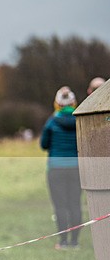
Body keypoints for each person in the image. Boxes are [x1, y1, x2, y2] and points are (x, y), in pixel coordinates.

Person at [40, 86, 81, 249]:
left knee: (60, 206)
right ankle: (75, 241)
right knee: (75, 204)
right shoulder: (79, 120)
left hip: (56, 169)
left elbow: (44, 144)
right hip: (76, 168)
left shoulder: (51, 121)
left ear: (57, 103)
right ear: (73, 102)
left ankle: (63, 241)